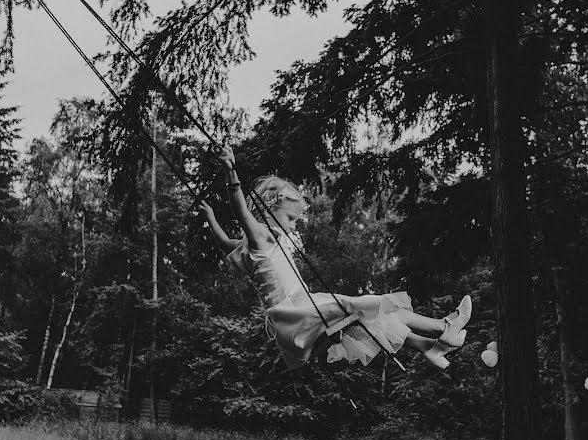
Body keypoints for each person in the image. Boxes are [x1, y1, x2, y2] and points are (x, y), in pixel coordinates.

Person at [200, 145, 471, 370]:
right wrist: (230, 170)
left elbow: (225, 242)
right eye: (291, 218)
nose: (294, 226)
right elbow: (240, 211)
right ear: (270, 208)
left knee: (369, 317)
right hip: (296, 311)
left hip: (301, 310)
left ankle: (429, 348)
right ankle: (441, 326)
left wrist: (211, 219)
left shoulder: (254, 246)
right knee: (372, 305)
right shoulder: (261, 237)